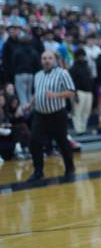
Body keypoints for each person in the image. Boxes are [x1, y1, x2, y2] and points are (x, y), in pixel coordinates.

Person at [27, 50, 76, 183]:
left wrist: (56, 95)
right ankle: (38, 171)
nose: (46, 61)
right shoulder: (37, 75)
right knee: (34, 141)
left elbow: (71, 92)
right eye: (44, 58)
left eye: (49, 58)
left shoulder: (62, 73)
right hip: (40, 114)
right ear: (41, 61)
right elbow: (38, 93)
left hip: (57, 114)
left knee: (62, 142)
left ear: (54, 60)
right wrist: (30, 104)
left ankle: (70, 168)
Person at [69, 48, 94, 134]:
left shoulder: (87, 66)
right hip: (79, 92)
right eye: (79, 56)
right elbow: (72, 83)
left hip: (88, 91)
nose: (81, 57)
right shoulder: (73, 68)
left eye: (83, 56)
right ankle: (78, 129)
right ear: (76, 57)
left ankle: (83, 128)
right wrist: (75, 94)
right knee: (77, 111)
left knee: (86, 111)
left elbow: (90, 79)